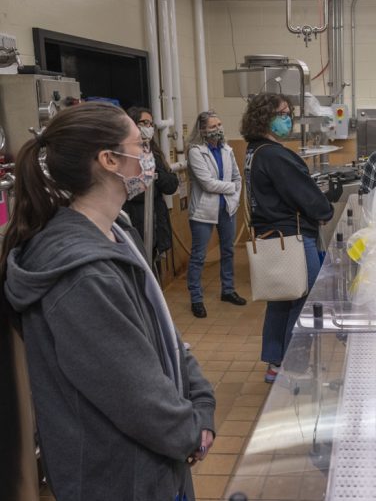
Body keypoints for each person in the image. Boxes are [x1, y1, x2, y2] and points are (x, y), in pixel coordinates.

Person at [0, 102, 216, 501]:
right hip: (121, 480)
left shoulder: (119, 232)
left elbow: (164, 333)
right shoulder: (82, 274)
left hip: (159, 469)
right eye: (140, 145)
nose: (149, 155)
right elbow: (133, 393)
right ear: (109, 160)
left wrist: (201, 400)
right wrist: (189, 432)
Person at [241, 93, 334, 383]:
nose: (287, 119)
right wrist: (325, 209)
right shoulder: (274, 155)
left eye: (288, 114)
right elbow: (304, 195)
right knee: (305, 301)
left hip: (272, 237)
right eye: (281, 114)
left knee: (281, 299)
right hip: (293, 238)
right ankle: (294, 366)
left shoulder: (254, 152)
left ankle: (275, 363)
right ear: (264, 117)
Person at [187, 110, 246, 318]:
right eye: (213, 126)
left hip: (227, 208)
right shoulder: (196, 151)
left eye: (219, 125)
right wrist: (231, 188)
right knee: (199, 256)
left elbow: (238, 177)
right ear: (202, 130)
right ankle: (196, 298)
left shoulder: (227, 150)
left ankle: (228, 290)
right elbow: (207, 184)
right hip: (204, 211)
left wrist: (234, 198)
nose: (218, 129)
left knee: (228, 251)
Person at [123, 107, 179, 264]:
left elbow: (171, 185)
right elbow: (131, 192)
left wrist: (155, 174)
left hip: (156, 221)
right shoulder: (124, 154)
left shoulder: (154, 152)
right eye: (144, 123)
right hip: (135, 221)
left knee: (155, 266)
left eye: (150, 124)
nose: (148, 127)